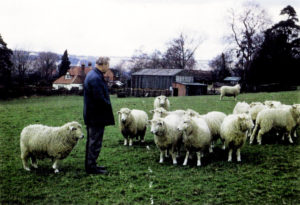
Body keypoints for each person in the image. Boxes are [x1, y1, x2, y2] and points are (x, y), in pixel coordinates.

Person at [83, 57, 115, 174]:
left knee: (93, 141)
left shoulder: (93, 74)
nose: (109, 67)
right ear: (103, 64)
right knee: (94, 142)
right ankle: (91, 167)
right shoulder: (95, 78)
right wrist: (107, 104)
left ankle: (92, 165)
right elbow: (99, 99)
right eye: (108, 65)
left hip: (93, 115)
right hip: (96, 116)